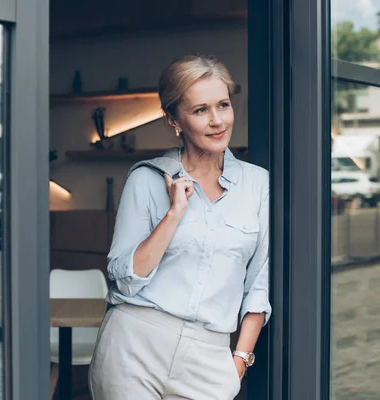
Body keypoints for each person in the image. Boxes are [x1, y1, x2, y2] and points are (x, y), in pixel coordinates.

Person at [89, 54, 271, 400]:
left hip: (210, 360)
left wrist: (239, 362)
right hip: (134, 346)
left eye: (223, 105)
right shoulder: (146, 179)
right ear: (174, 119)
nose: (217, 121)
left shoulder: (258, 185)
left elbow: (258, 287)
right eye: (200, 110)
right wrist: (174, 214)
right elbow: (123, 278)